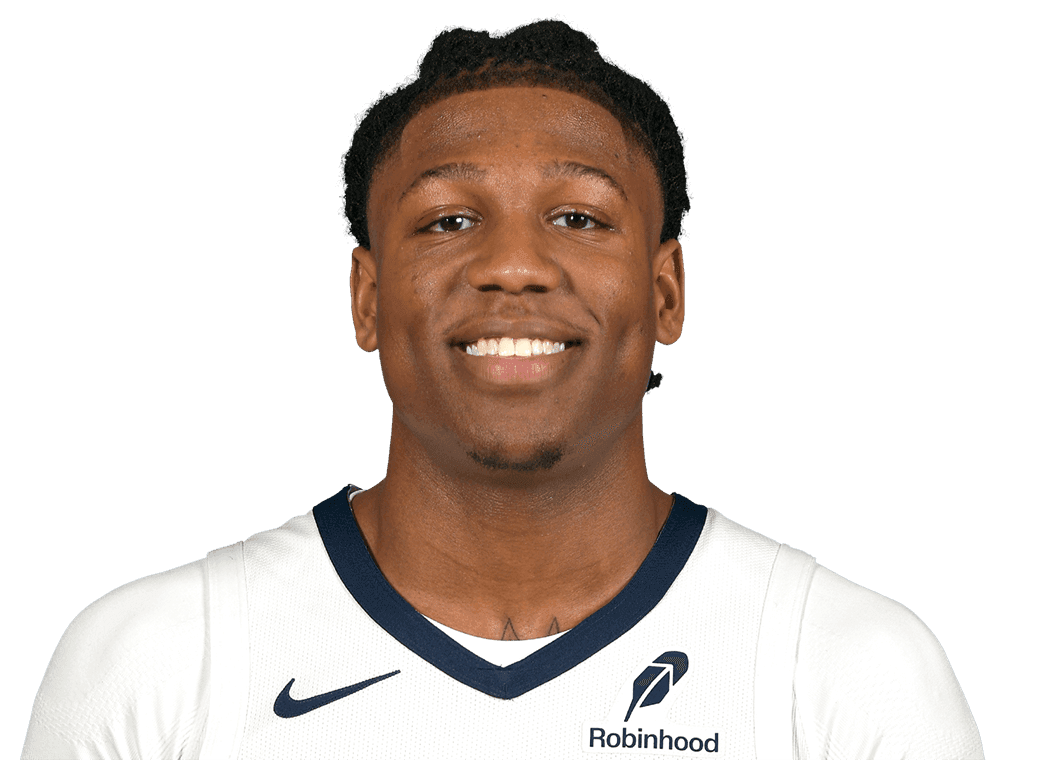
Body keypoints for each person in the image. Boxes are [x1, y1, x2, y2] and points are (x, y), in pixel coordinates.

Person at [22, 17, 983, 759]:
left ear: (666, 292)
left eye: (579, 216)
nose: (514, 265)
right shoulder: (157, 659)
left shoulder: (846, 667)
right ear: (366, 298)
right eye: (447, 220)